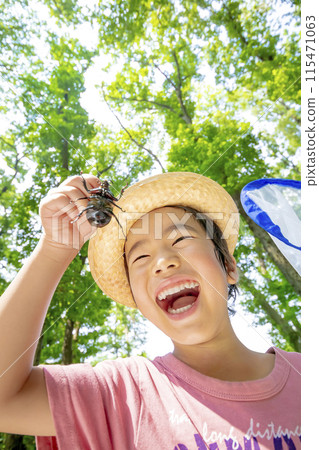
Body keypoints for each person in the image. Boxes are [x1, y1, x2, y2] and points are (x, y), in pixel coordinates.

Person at [0, 172, 301, 450]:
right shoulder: (120, 395)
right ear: (135, 297)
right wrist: (55, 249)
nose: (163, 262)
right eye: (141, 256)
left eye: (182, 239)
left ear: (229, 266)